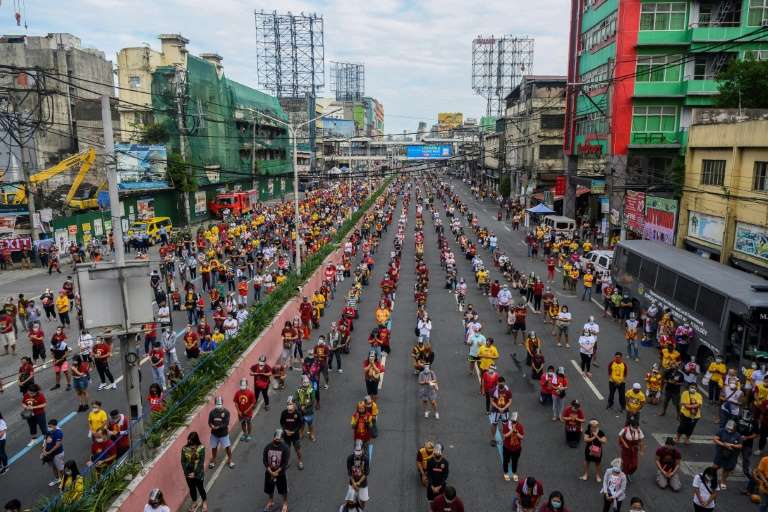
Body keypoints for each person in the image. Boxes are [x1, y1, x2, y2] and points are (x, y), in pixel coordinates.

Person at [181, 431, 208, 512]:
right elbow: (183, 461)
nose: (190, 443)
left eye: (192, 441)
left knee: (200, 488)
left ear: (196, 440)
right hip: (188, 473)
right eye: (189, 440)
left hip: (198, 473)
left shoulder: (201, 448)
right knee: (192, 488)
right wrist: (187, 472)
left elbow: (201, 462)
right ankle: (194, 502)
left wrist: (195, 473)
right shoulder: (185, 449)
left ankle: (204, 501)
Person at [712, 419, 742, 489]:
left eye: (731, 429)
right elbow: (715, 439)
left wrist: (732, 445)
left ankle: (723, 481)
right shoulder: (722, 431)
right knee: (715, 467)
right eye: (728, 428)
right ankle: (711, 478)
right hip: (720, 452)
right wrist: (723, 444)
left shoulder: (738, 435)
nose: (729, 430)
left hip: (731, 455)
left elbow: (740, 445)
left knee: (727, 469)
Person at [207, 396, 234, 469]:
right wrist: (211, 426)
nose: (218, 407)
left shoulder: (226, 412)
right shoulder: (212, 413)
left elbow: (226, 423)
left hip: (223, 434)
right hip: (214, 434)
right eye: (217, 405)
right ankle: (213, 460)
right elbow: (209, 422)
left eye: (220, 405)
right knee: (214, 447)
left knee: (227, 447)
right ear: (215, 404)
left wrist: (218, 427)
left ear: (222, 403)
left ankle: (230, 459)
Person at [280, 398, 304, 470]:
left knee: (297, 450)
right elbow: (282, 422)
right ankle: (286, 462)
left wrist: (294, 431)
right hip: (286, 435)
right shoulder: (284, 413)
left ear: (294, 404)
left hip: (295, 436)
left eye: (290, 404)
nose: (289, 406)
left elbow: (300, 424)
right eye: (288, 404)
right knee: (287, 450)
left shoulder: (297, 413)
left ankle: (300, 461)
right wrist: (285, 430)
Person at [346, 440, 370, 509]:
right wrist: (354, 483)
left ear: (362, 449)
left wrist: (358, 483)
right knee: (350, 500)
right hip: (353, 482)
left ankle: (361, 508)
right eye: (356, 453)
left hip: (362, 482)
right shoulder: (350, 458)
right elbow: (349, 472)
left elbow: (366, 473)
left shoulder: (366, 459)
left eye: (359, 453)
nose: (358, 455)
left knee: (363, 499)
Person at [41, 418, 64, 487]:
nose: (49, 428)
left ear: (55, 426)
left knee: (60, 469)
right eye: (48, 426)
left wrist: (49, 452)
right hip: (49, 454)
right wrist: (44, 450)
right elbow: (45, 441)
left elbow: (58, 445)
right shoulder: (49, 432)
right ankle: (57, 479)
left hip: (58, 454)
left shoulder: (58, 433)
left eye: (50, 426)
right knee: (54, 467)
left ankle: (63, 480)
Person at [502, 411, 524, 482]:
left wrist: (517, 432)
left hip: (516, 448)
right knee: (506, 460)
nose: (514, 423)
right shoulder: (506, 426)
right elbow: (505, 435)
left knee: (515, 461)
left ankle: (514, 473)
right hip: (507, 447)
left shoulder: (520, 426)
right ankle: (506, 473)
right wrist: (512, 430)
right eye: (513, 421)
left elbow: (522, 437)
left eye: (515, 421)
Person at [489, 377, 512, 446]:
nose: (501, 384)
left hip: (505, 411)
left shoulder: (508, 391)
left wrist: (504, 408)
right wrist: (498, 408)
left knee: (505, 425)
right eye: (499, 382)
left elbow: (510, 401)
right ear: (497, 382)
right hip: (496, 411)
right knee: (494, 424)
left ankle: (506, 439)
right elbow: (492, 401)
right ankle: (493, 439)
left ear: (504, 383)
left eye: (502, 383)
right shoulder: (493, 390)